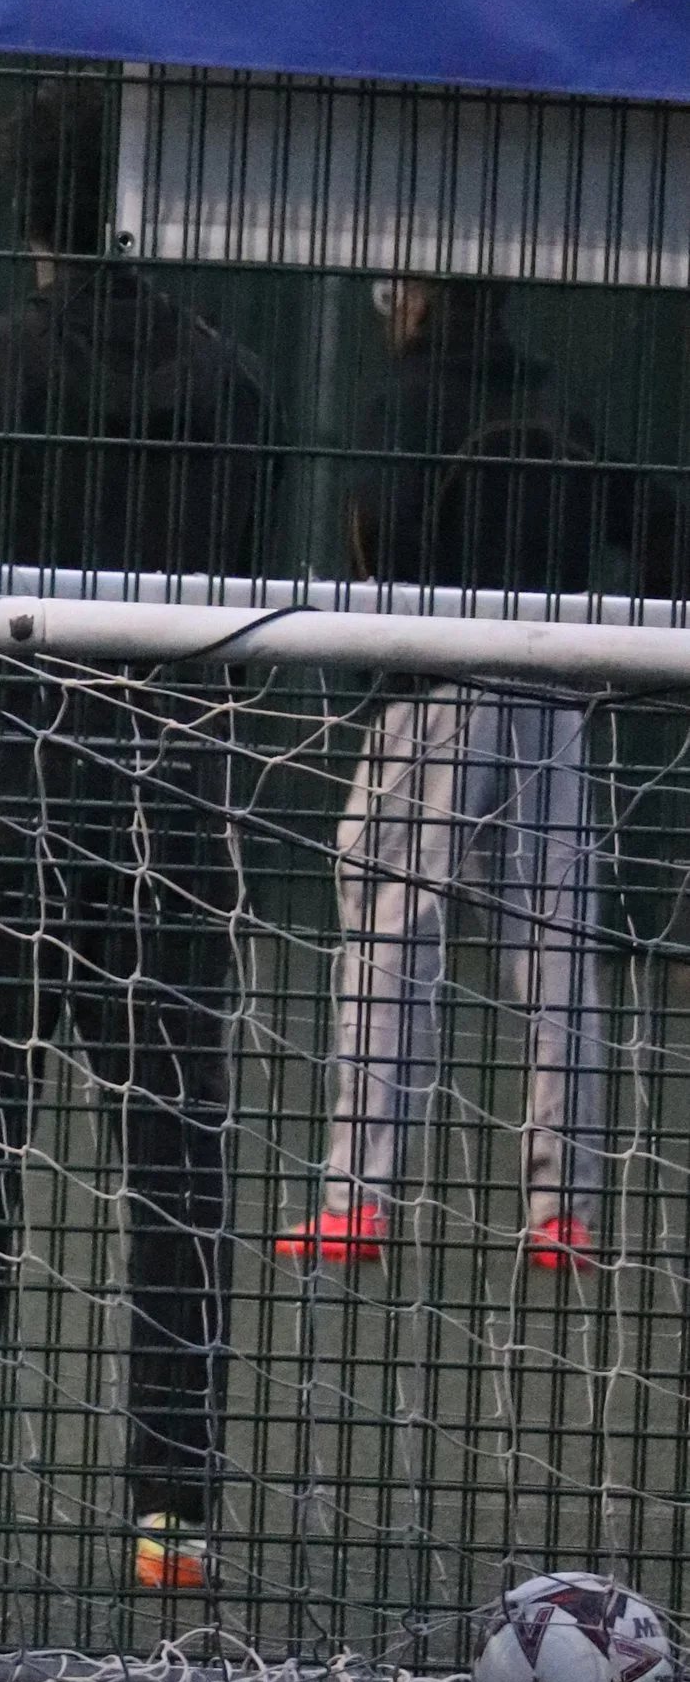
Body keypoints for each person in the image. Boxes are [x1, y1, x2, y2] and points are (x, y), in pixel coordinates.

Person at [0, 76, 277, 1596]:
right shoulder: (234, 386)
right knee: (177, 1161)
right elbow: (244, 611)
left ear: (19, 208)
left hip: (5, 815)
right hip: (172, 807)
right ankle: (172, 1513)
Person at [277, 274, 677, 1275]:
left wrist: (385, 666)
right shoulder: (554, 409)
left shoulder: (402, 405)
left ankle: (354, 1198)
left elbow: (378, 535)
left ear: (418, 298)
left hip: (437, 690)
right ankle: (561, 1210)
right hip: (552, 688)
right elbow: (655, 524)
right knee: (553, 952)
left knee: (391, 937)